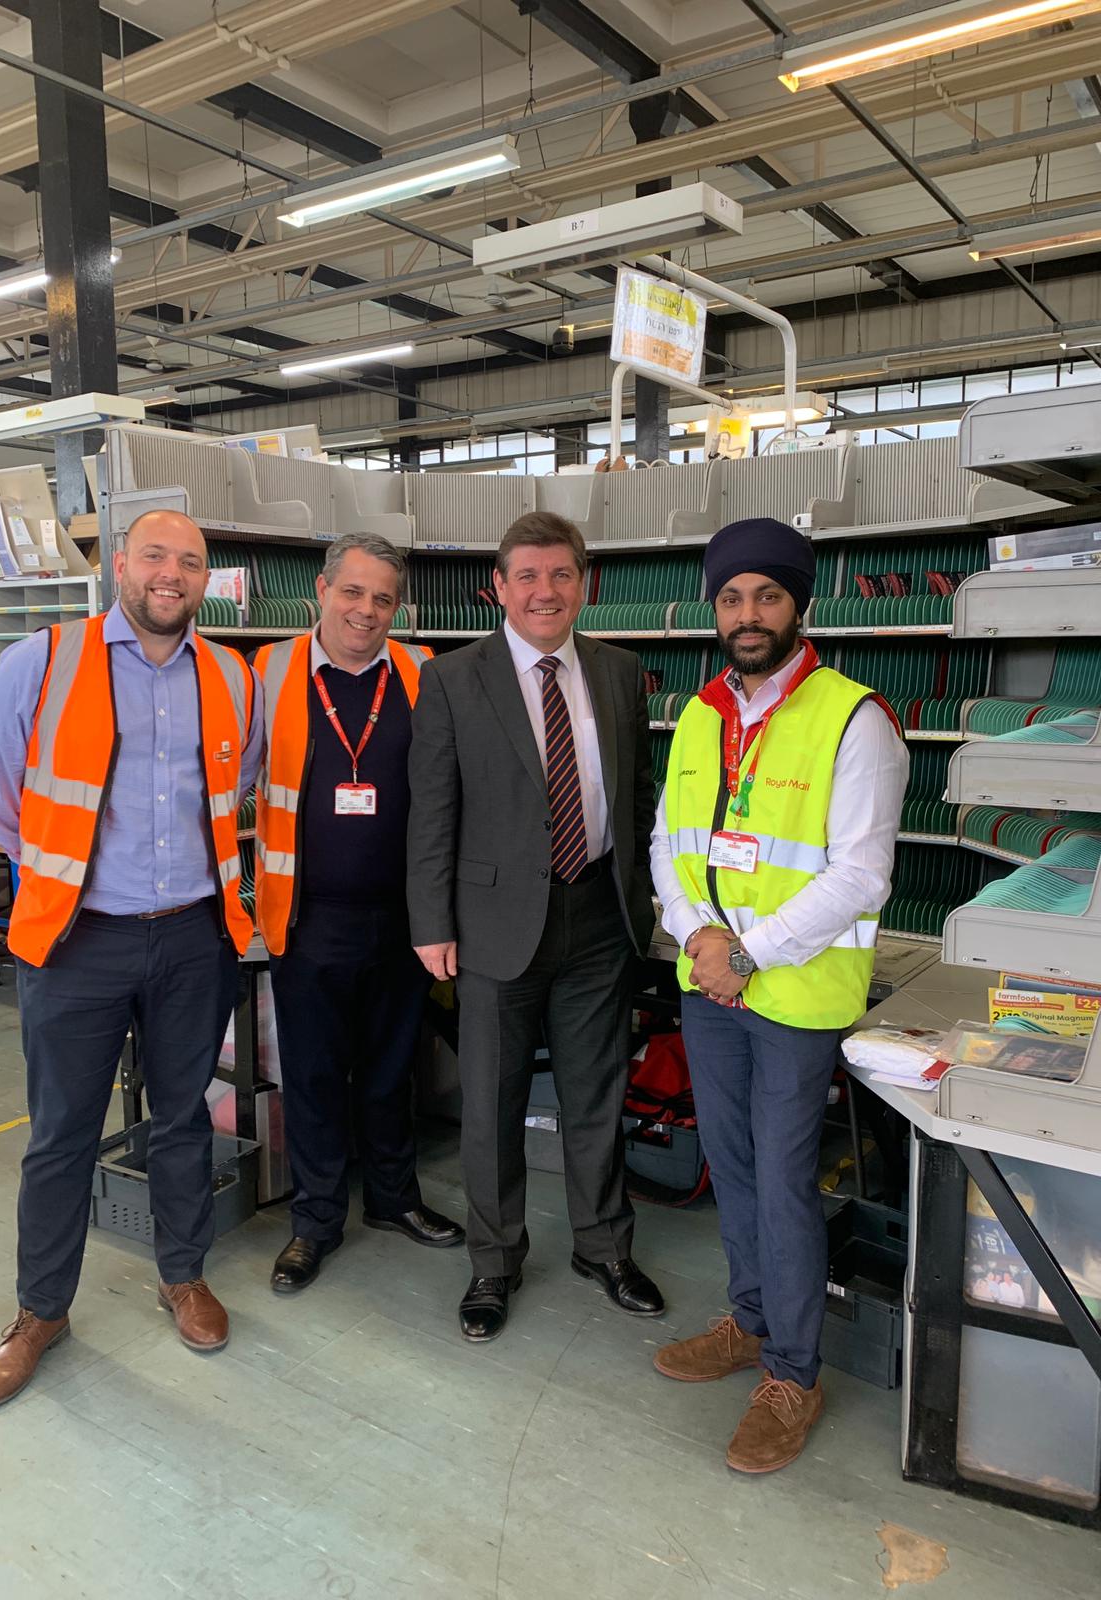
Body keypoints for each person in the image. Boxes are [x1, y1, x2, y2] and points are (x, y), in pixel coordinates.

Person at [0, 509, 262, 1407]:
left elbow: (238, 782)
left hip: (192, 934)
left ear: (206, 580)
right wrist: (54, 876)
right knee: (60, 1135)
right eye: (156, 557)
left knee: (181, 1119)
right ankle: (41, 1310)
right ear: (119, 565)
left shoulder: (230, 676)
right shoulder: (45, 661)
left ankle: (182, 1274)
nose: (172, 575)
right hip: (77, 938)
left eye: (192, 562)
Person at [650, 515, 908, 1473]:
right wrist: (697, 937)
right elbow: (666, 847)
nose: (747, 615)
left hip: (795, 997)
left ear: (800, 604)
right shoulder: (702, 713)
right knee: (733, 1163)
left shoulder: (855, 718)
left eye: (766, 595)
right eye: (730, 597)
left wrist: (744, 953)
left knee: (788, 1182)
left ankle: (793, 1375)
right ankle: (752, 1322)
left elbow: (860, 875)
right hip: (710, 983)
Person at [407, 510, 662, 1343]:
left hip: (597, 915)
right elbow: (432, 812)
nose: (544, 591)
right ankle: (494, 1262)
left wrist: (642, 904)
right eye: (527, 576)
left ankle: (603, 1246)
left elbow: (637, 800)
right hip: (491, 925)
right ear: (499, 588)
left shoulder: (622, 673)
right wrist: (431, 922)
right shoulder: (453, 678)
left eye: (560, 575)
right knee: (491, 1102)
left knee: (597, 1094)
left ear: (583, 584)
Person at [255, 533, 464, 1294]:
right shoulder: (269, 671)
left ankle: (392, 1198)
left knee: (389, 1069)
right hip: (306, 918)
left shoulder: (421, 672)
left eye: (382, 598)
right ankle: (314, 1222)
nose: (366, 610)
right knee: (311, 1075)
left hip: (404, 919)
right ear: (322, 590)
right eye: (353, 592)